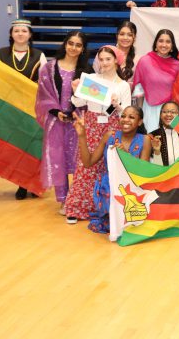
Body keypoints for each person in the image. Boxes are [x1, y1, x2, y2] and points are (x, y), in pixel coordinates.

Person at [64, 46, 132, 224]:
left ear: (116, 61)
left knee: (107, 164)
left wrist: (116, 105)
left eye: (108, 59)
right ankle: (77, 207)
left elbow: (126, 110)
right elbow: (79, 102)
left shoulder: (123, 85)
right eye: (101, 59)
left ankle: (103, 206)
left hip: (112, 125)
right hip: (93, 124)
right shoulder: (92, 79)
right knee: (86, 163)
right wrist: (75, 90)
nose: (104, 63)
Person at [35, 31, 91, 215]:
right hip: (56, 122)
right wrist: (56, 111)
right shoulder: (49, 68)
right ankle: (63, 200)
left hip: (78, 122)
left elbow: (91, 99)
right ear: (65, 44)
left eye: (78, 45)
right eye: (71, 43)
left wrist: (76, 112)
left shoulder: (87, 72)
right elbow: (43, 95)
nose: (74, 48)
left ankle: (77, 198)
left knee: (78, 159)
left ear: (83, 49)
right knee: (58, 158)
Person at [73, 105, 151, 234]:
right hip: (109, 186)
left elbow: (142, 172)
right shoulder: (110, 135)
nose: (125, 120)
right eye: (123, 116)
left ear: (140, 122)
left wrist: (125, 155)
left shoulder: (145, 139)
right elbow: (88, 162)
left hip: (132, 186)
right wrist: (82, 136)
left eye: (131, 117)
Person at [0, 18, 47, 199]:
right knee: (16, 146)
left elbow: (44, 82)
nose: (20, 34)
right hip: (10, 108)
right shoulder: (0, 54)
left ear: (30, 34)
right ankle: (21, 184)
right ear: (11, 34)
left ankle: (34, 183)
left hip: (32, 108)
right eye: (16, 31)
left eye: (24, 31)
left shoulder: (39, 55)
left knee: (33, 145)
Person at [131, 29, 179, 133]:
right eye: (161, 41)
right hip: (149, 111)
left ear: (172, 46)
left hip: (172, 112)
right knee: (151, 143)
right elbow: (138, 91)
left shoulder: (177, 65)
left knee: (175, 142)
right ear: (155, 44)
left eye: (168, 42)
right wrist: (139, 115)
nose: (164, 44)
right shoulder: (145, 61)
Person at [149, 101, 179, 166]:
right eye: (164, 112)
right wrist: (157, 151)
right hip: (165, 174)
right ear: (160, 115)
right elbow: (156, 168)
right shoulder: (153, 136)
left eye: (173, 112)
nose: (168, 115)